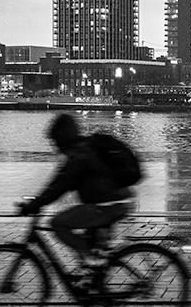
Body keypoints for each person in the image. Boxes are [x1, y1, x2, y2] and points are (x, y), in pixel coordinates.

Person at [19, 114, 134, 272]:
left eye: (55, 141)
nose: (55, 147)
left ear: (63, 137)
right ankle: (92, 275)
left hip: (108, 205)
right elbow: (62, 185)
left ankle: (91, 259)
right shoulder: (84, 148)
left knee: (58, 223)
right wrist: (41, 200)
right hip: (116, 201)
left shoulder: (79, 155)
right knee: (90, 240)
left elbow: (58, 186)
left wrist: (35, 204)